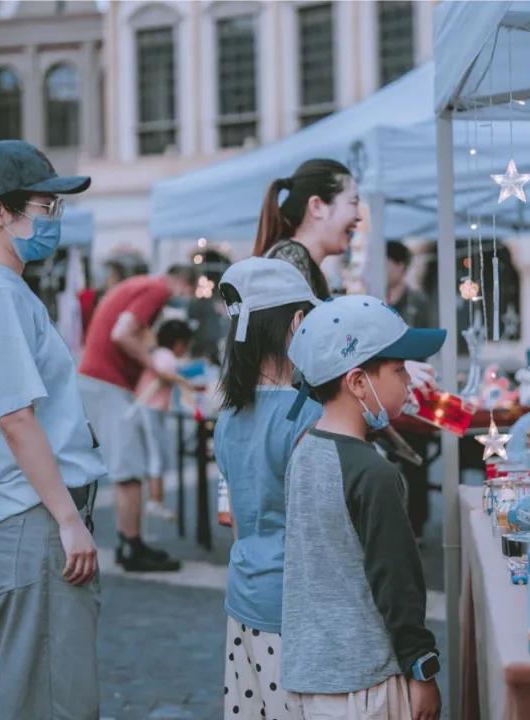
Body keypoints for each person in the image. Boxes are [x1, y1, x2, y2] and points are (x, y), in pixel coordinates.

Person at [0, 140, 106, 719]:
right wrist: (68, 520)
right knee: (47, 700)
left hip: (24, 515)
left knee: (32, 690)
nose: (52, 220)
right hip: (32, 518)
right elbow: (16, 419)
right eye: (44, 207)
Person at [282, 294, 445, 720]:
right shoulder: (374, 474)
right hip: (365, 683)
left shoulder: (303, 450)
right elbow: (397, 582)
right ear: (357, 382)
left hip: (309, 677)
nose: (409, 381)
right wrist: (422, 669)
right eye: (399, 370)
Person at [213, 257, 321, 719]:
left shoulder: (228, 416)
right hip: (297, 608)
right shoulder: (307, 417)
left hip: (244, 594)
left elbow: (238, 516)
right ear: (297, 322)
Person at [79, 263, 201, 572]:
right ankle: (131, 546)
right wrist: (154, 365)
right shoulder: (157, 289)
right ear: (183, 283)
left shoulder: (139, 284)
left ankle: (130, 542)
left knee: (127, 463)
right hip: (106, 380)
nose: (185, 298)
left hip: (100, 379)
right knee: (129, 465)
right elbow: (122, 333)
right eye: (189, 292)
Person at [384, 240, 438, 539]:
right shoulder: (373, 300)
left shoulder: (417, 301)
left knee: (416, 461)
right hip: (379, 392)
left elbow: (423, 346)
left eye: (386, 263)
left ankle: (416, 524)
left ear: (400, 267)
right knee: (384, 460)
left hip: (411, 390)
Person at [253, 159, 360, 300]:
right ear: (317, 207)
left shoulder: (295, 262)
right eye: (353, 203)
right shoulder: (290, 261)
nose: (359, 216)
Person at [132, 318, 194, 521]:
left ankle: (155, 500)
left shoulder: (159, 354)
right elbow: (165, 375)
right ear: (179, 344)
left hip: (149, 407)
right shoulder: (167, 357)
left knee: (155, 453)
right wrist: (184, 382)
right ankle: (155, 501)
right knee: (156, 453)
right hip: (150, 407)